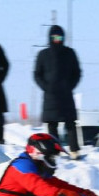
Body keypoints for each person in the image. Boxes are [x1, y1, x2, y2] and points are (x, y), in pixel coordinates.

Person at [34, 25, 83, 158]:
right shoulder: (43, 54)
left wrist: (70, 86)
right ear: (50, 38)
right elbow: (37, 74)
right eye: (54, 37)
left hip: (66, 94)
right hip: (50, 96)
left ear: (63, 38)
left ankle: (74, 150)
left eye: (59, 37)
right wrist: (46, 87)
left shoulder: (70, 53)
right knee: (52, 125)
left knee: (70, 123)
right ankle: (55, 151)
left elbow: (77, 73)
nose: (57, 39)